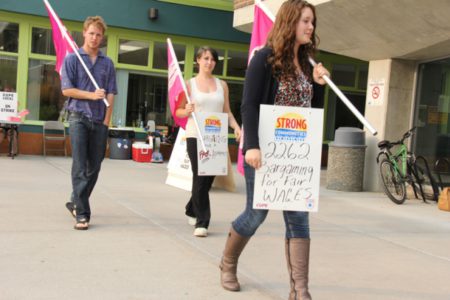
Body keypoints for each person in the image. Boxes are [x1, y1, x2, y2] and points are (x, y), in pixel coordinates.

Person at [219, 1, 329, 298]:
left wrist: (318, 85)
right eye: (305, 21)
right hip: (265, 152)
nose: (310, 27)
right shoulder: (264, 58)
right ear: (290, 21)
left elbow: (311, 114)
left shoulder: (309, 64)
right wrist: (251, 145)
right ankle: (228, 263)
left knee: (299, 218)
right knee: (256, 213)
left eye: (312, 22)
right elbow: (249, 104)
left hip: (295, 156)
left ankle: (300, 290)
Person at [176, 46, 241, 237]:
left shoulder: (222, 85)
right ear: (197, 60)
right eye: (205, 58)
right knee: (199, 174)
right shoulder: (189, 85)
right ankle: (202, 222)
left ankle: (191, 208)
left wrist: (236, 127)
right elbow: (178, 111)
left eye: (212, 59)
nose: (209, 62)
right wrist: (186, 110)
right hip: (195, 135)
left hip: (216, 137)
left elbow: (226, 111)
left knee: (208, 177)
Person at [61, 16, 117, 230]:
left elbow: (111, 92)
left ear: (102, 38)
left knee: (94, 166)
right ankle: (82, 214)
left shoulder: (107, 63)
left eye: (98, 34)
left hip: (99, 121)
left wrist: (106, 120)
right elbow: (67, 90)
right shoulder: (72, 59)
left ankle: (76, 200)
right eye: (91, 33)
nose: (94, 38)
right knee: (79, 165)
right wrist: (92, 95)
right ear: (84, 33)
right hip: (78, 117)